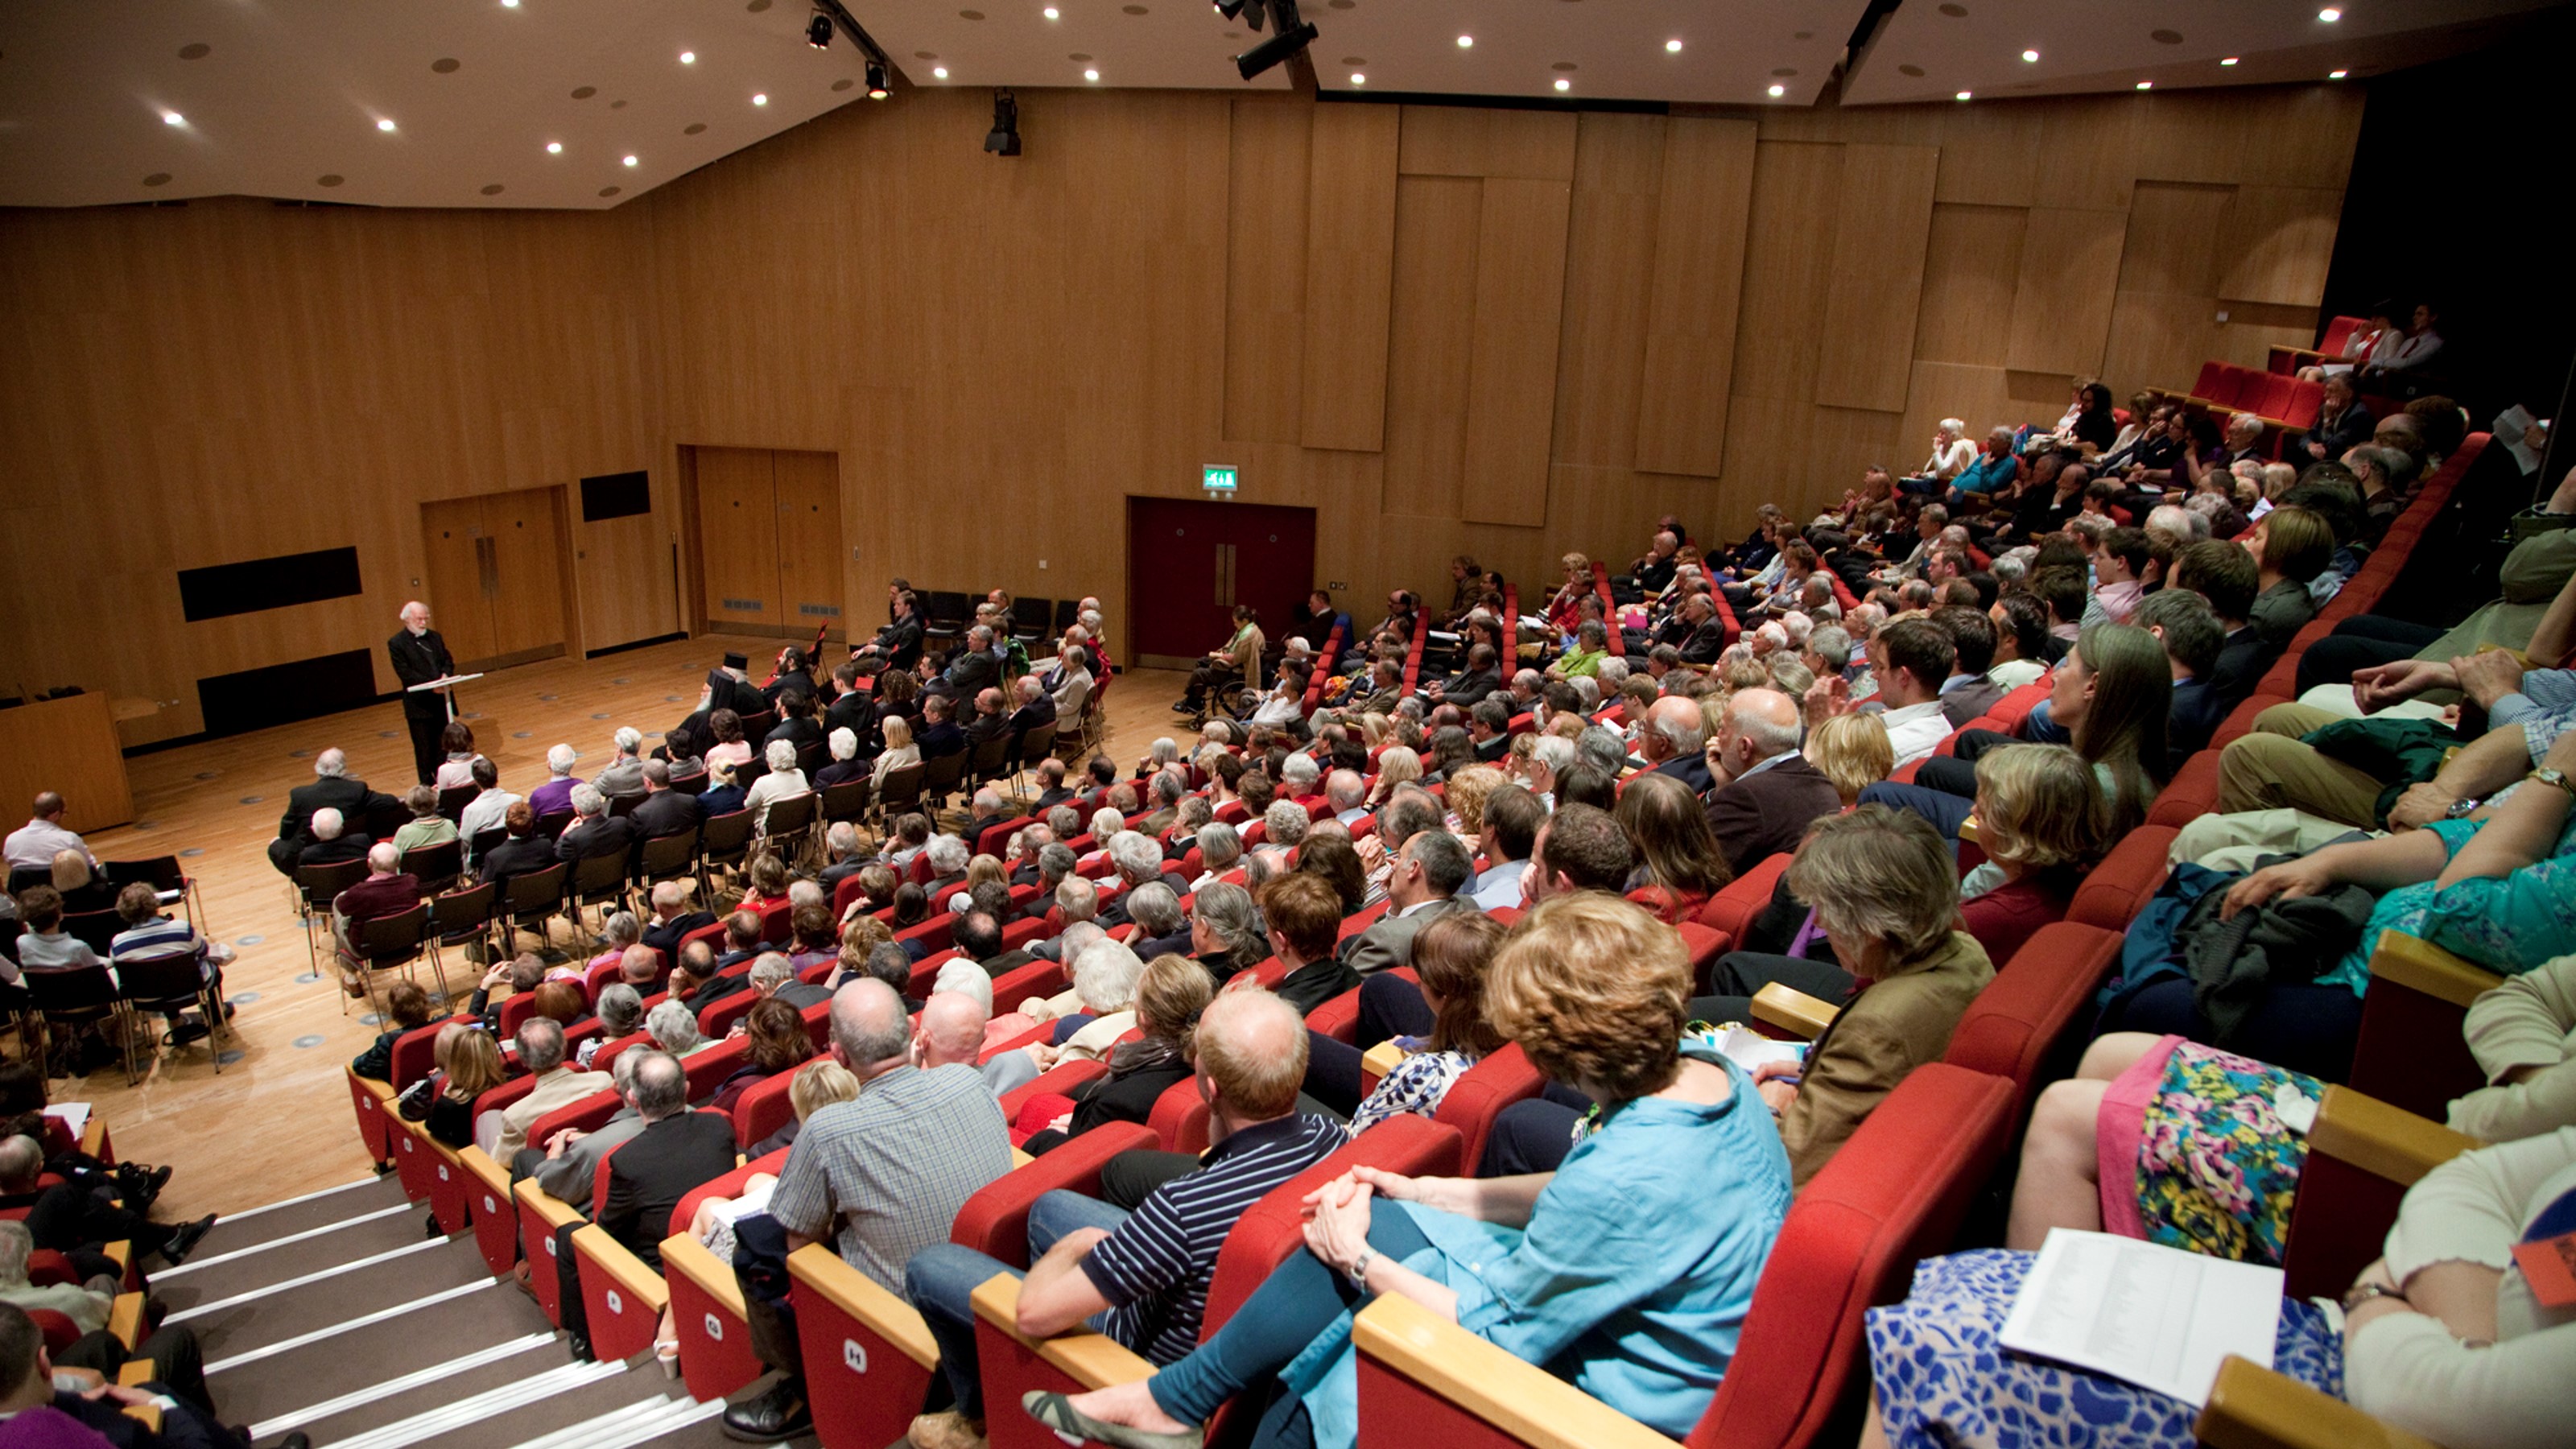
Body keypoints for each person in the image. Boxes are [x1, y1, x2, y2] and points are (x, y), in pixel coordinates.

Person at [1022, 892, 1791, 1449]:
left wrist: (1355, 1259)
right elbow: (1575, 1190)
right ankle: (1177, 1400)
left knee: (1336, 1312)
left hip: (1603, 1409)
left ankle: (1182, 1403)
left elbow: (1502, 1334)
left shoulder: (1628, 1177)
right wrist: (1426, 1188)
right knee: (1370, 1205)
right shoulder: (1710, 1076)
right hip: (1634, 1326)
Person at [906, 989, 1352, 1449]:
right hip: (1214, 1309)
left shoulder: (1182, 1207)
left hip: (1138, 1361)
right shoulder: (1332, 1138)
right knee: (1048, 1208)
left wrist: (1076, 1246)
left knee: (932, 1265)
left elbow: (1032, 1315)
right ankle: (1026, 1377)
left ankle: (977, 1419)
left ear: (1211, 1088)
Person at [720, 979, 1014, 1441]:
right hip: (992, 1283)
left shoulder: (827, 1129)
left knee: (759, 1246)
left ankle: (808, 1385)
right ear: (913, 1031)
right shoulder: (969, 1080)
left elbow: (799, 1246)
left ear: (837, 1054)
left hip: (908, 1310)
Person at [551, 1051, 736, 1360]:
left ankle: (584, 1340)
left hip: (659, 1268)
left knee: (570, 1236)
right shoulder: (718, 1126)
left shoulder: (627, 1160)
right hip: (715, 1246)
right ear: (686, 1089)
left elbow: (607, 1232)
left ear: (632, 1098)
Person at [1016, 955, 1214, 1152]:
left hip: (1100, 1148)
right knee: (1081, 1089)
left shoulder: (1118, 1102)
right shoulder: (1212, 1056)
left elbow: (1089, 1155)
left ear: (1144, 1019)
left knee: (1042, 1137)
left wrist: (1078, 1127)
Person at [1955, 745, 2103, 963]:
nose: (1973, 811)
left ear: (2018, 837)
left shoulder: (1986, 919)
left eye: (1984, 813)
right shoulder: (2079, 872)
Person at [1700, 688, 1840, 876]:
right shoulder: (1822, 782)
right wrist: (1725, 785)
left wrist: (1729, 790)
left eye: (1723, 729)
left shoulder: (1744, 798)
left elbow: (1697, 868)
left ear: (1745, 747)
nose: (1717, 737)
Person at [1339, 832, 1477, 976]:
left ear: (1414, 868)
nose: (1393, 866)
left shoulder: (1386, 938)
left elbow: (1348, 987)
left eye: (1399, 857)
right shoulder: (1468, 905)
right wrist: (1396, 903)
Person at [266, 749, 396, 876]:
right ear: (343, 770)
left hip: (312, 855)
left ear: (317, 769)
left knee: (275, 844)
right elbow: (391, 802)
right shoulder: (356, 790)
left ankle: (301, 878)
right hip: (353, 850)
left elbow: (285, 832)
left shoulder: (300, 795)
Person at [486, 1017, 597, 1162]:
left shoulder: (515, 1116)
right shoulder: (602, 1081)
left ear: (523, 1061)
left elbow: (500, 1161)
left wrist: (498, 1140)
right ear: (564, 1048)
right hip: (594, 1159)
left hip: (545, 1172)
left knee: (487, 1121)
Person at [1256, 873, 1362, 1016]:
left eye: (1267, 929)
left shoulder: (1279, 1012)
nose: (1267, 935)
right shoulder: (1351, 975)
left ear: (1281, 941)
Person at [400, 1022, 506, 1150]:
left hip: (467, 1160)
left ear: (455, 1060)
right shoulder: (513, 1081)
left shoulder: (448, 1104)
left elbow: (431, 1127)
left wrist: (440, 1082)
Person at [390, 599, 459, 785]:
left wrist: (446, 675)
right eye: (419, 619)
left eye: (425, 619)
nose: (423, 623)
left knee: (443, 746)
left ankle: (445, 783)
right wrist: (432, 685)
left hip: (440, 700)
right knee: (424, 749)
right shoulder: (397, 643)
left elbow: (447, 660)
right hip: (419, 705)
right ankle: (427, 786)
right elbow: (405, 673)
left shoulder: (435, 637)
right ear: (407, 619)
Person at [1176, 605, 1265, 716]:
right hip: (1233, 665)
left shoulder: (1248, 637)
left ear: (1245, 621)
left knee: (1199, 673)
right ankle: (1193, 700)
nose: (1235, 625)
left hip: (1233, 671)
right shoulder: (1249, 630)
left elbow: (1236, 658)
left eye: (1236, 622)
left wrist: (1219, 655)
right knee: (1203, 662)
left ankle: (1193, 702)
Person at [553, 783, 635, 869]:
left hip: (589, 876)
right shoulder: (621, 823)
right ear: (601, 804)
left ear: (577, 810)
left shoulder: (573, 838)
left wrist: (564, 833)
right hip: (620, 871)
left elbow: (558, 856)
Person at [594, 726, 649, 800]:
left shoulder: (611, 777)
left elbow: (592, 788)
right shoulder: (651, 769)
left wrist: (613, 764)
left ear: (619, 748)